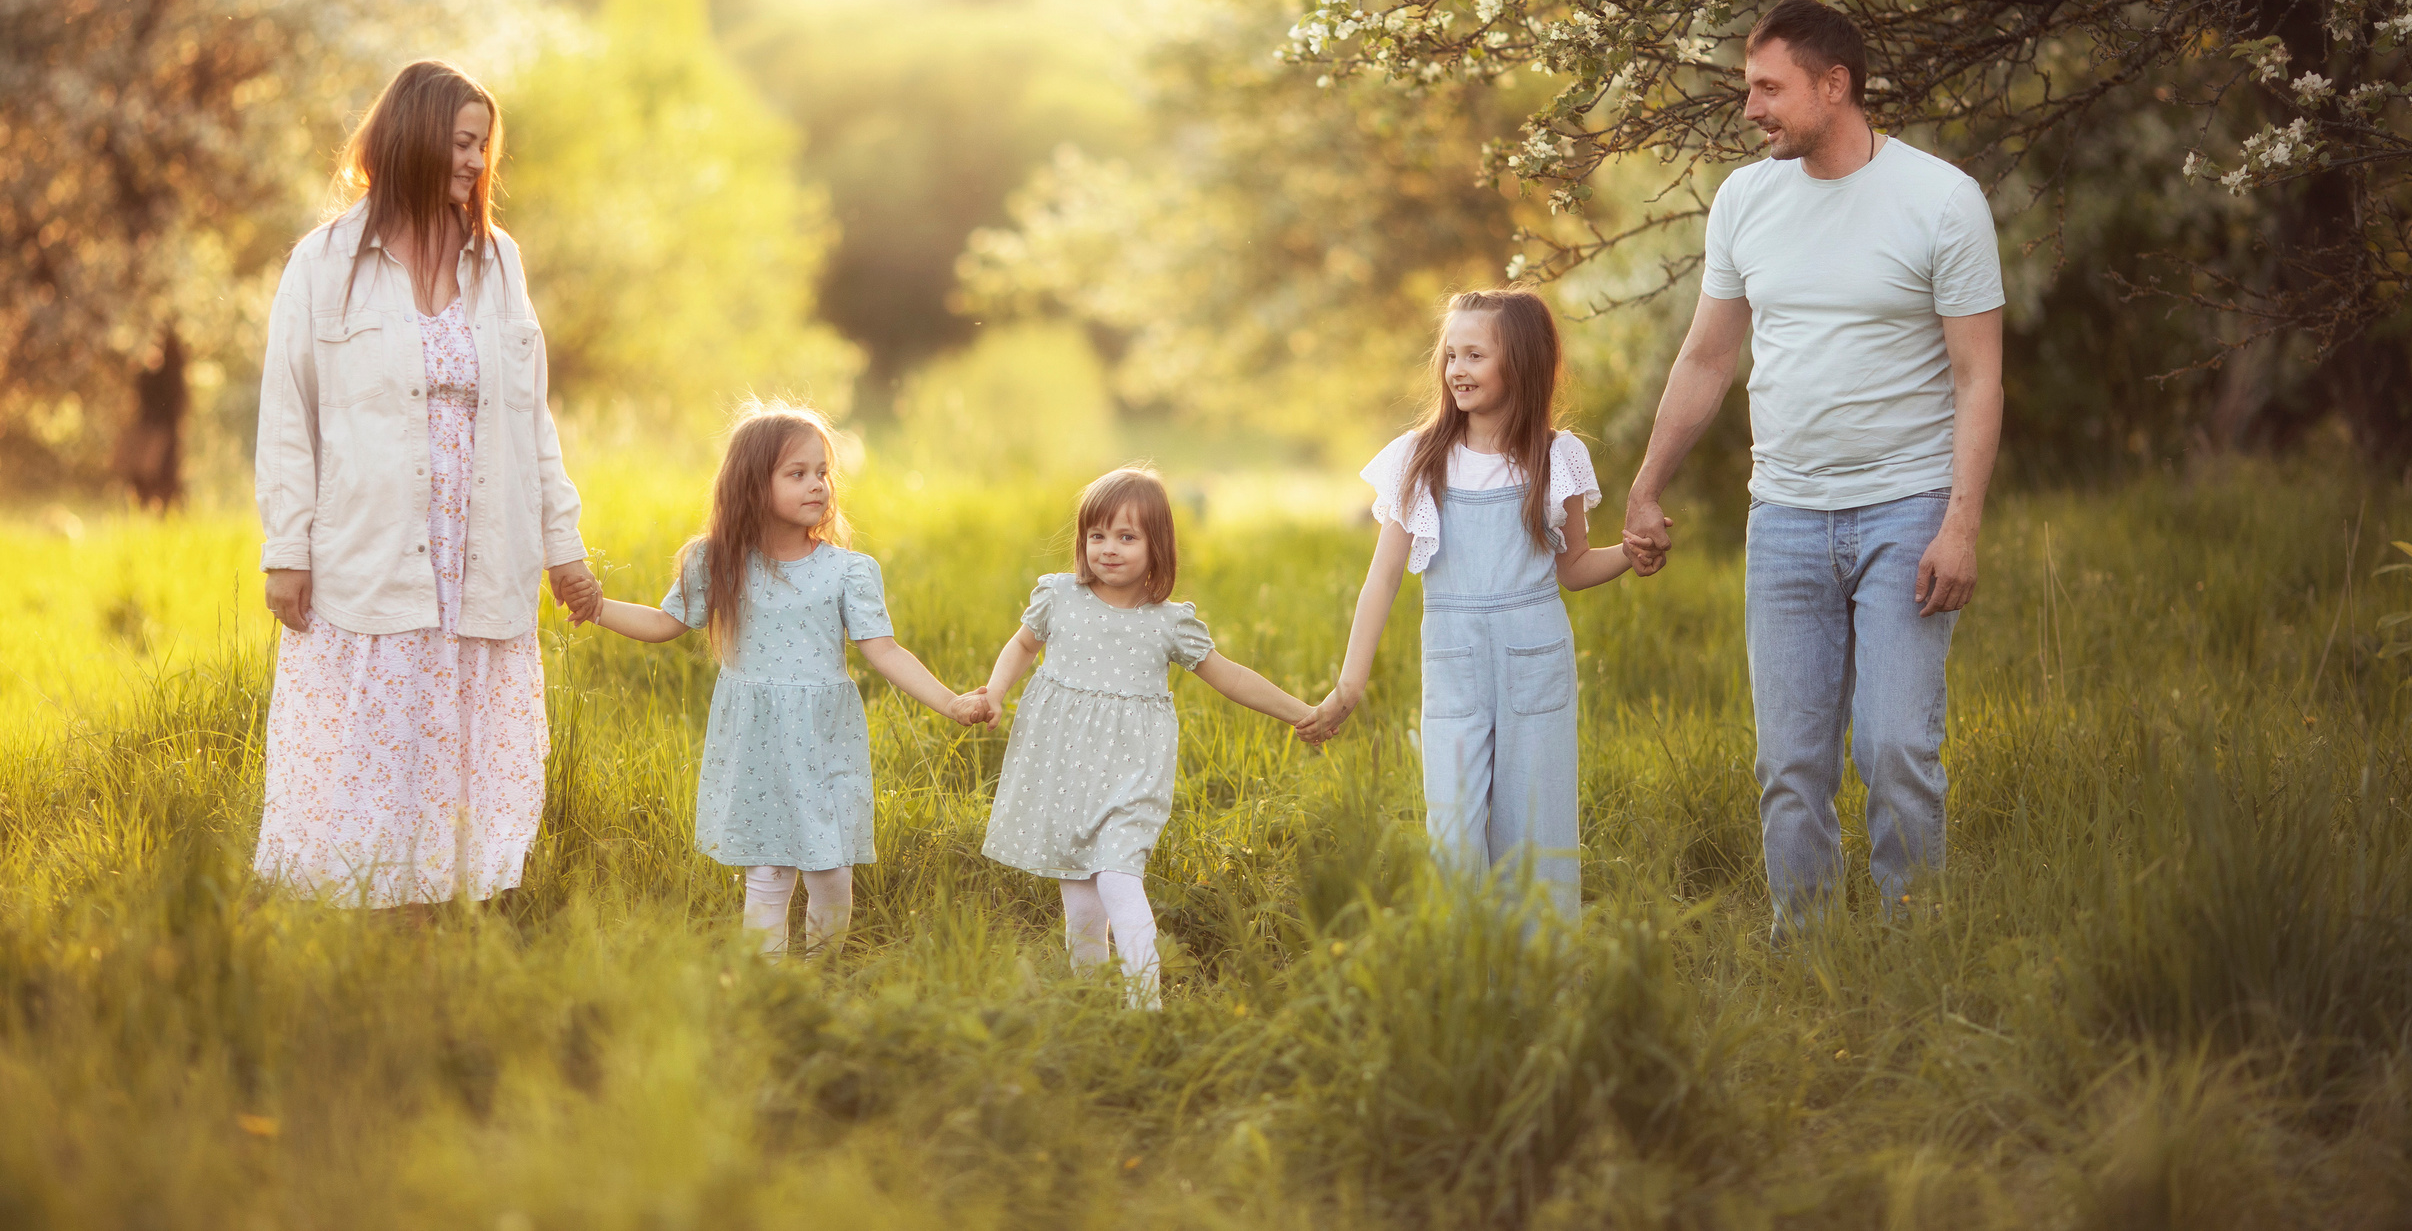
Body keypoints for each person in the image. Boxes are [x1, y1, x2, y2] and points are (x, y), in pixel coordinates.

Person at [1623, 0, 2004, 930]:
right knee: (1790, 759)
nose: (1750, 108)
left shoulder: (1941, 200)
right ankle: (1807, 948)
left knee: (1893, 745)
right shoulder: (1747, 200)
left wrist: (1961, 522)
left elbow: (1979, 376)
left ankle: (1914, 940)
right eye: (1749, 87)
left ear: (1834, 87)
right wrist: (1646, 481)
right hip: (1785, 515)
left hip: (1906, 510)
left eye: (1768, 87)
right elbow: (1708, 357)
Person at [255, 60, 602, 909]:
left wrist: (565, 548)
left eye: (484, 145)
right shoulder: (324, 262)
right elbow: (287, 416)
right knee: (369, 741)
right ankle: (361, 918)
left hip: (480, 551)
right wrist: (285, 549)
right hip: (369, 550)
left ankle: (448, 919)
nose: (478, 163)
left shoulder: (498, 261)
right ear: (410, 138)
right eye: (461, 142)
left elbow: (531, 416)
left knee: (460, 747)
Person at [588, 401, 989, 954]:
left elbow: (886, 651)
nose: (817, 485)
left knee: (831, 874)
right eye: (797, 474)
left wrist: (953, 703)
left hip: (824, 740)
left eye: (823, 472)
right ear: (754, 485)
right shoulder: (718, 561)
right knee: (769, 873)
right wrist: (596, 605)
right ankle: (768, 989)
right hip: (758, 741)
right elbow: (664, 623)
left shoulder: (848, 571)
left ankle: (821, 976)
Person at [1296, 290, 1636, 921]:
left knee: (1536, 827)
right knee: (1452, 835)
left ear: (1524, 363)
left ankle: (1540, 987)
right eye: (1450, 354)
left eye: (1474, 354)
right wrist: (1349, 684)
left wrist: (1632, 554)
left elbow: (1576, 568)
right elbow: (1384, 578)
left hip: (1536, 658)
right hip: (1454, 664)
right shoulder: (1421, 459)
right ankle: (1464, 986)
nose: (1455, 368)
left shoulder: (1558, 458)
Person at [978, 465, 1317, 1006]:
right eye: (1097, 535)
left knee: (1116, 877)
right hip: (1064, 768)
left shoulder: (1168, 622)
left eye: (1126, 536)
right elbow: (1021, 646)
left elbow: (1227, 675)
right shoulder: (1058, 597)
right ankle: (1092, 1003)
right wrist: (994, 692)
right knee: (1082, 905)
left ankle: (1146, 1004)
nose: (1108, 549)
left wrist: (1300, 712)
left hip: (1130, 773)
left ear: (1157, 546)